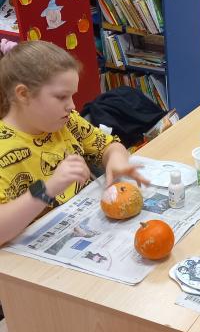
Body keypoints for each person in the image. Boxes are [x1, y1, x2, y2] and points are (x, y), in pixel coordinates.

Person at [0, 40, 147, 246]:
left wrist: (117, 160)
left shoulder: (66, 121)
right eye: (61, 97)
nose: (72, 106)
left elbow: (109, 145)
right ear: (23, 94)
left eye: (72, 96)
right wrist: (48, 189)